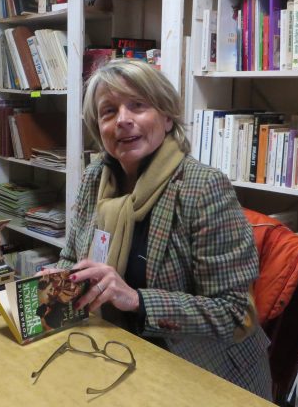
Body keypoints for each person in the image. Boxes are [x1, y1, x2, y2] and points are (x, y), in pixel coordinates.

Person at [56, 59, 271, 399]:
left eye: (137, 105)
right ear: (99, 128)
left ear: (167, 117)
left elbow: (234, 314)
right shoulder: (97, 177)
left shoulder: (203, 188)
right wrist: (54, 282)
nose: (123, 119)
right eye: (109, 111)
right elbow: (71, 258)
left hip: (201, 370)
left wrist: (135, 300)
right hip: (114, 349)